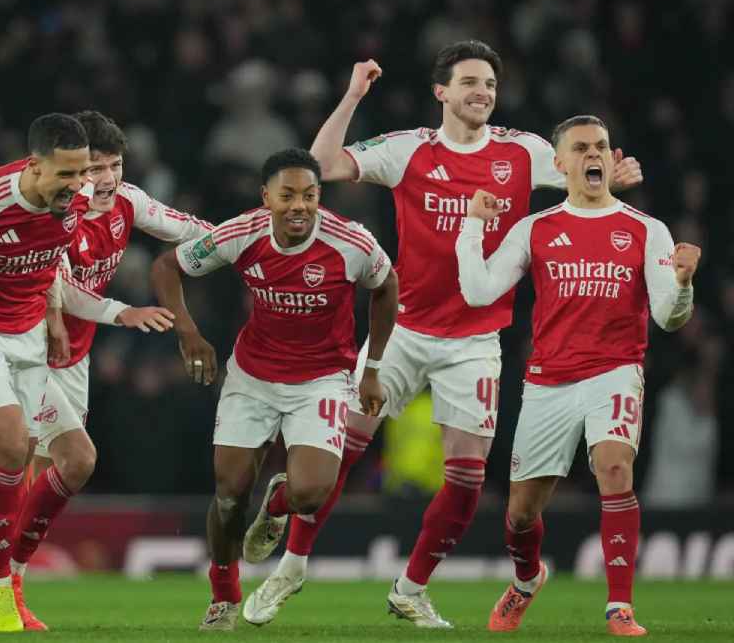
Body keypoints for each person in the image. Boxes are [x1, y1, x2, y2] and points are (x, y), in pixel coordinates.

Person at [247, 40, 645, 628]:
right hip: (403, 331)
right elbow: (321, 166)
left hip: (476, 341)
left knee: (466, 480)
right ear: (442, 92)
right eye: (470, 83)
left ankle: (410, 588)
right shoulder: (408, 149)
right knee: (335, 455)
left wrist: (613, 178)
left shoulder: (524, 152)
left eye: (490, 84)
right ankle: (290, 567)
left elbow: (587, 183)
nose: (483, 93)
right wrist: (353, 96)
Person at [0, 113, 174, 633]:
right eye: (68, 175)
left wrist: (101, 313)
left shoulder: (80, 199)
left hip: (28, 341)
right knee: (9, 446)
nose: (79, 186)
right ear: (34, 167)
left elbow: (58, 277)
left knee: (75, 458)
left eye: (85, 174)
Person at [457, 115, 698, 637]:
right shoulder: (536, 228)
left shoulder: (646, 229)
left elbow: (668, 317)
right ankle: (526, 579)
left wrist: (681, 284)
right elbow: (478, 292)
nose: (594, 154)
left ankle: (620, 607)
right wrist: (472, 227)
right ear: (560, 163)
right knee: (521, 515)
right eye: (582, 147)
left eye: (602, 147)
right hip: (548, 381)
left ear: (611, 159)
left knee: (614, 468)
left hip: (615, 371)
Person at [149, 148, 398, 631]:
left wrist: (373, 369)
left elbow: (388, 287)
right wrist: (187, 331)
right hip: (253, 377)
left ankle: (279, 503)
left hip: (323, 379)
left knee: (310, 495)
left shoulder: (352, 242)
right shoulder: (241, 233)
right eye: (288, 196)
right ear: (267, 198)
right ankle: (223, 597)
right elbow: (165, 267)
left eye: (309, 195)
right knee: (228, 495)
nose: (299, 206)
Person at [1, 110, 214, 628]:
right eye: (95, 168)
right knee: (30, 456)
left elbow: (187, 227)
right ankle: (5, 579)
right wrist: (123, 312)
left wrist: (245, 239)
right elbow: (66, 291)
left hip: (74, 356)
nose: (106, 178)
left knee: (59, 466)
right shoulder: (55, 212)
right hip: (28, 346)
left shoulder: (128, 203)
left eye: (114, 166)